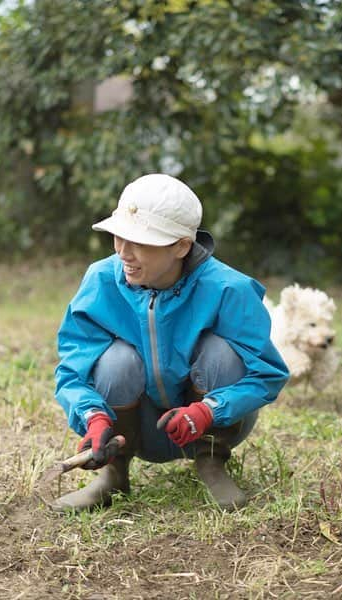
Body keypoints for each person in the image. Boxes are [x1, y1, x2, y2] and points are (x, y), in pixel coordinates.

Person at [51, 173, 289, 512]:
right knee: (114, 359)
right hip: (138, 429)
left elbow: (267, 374)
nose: (124, 252)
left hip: (213, 421)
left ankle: (210, 463)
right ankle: (113, 477)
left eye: (140, 241)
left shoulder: (228, 289)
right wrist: (94, 418)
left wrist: (209, 411)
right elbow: (73, 371)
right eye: (119, 237)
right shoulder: (101, 279)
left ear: (181, 246)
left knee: (222, 351)